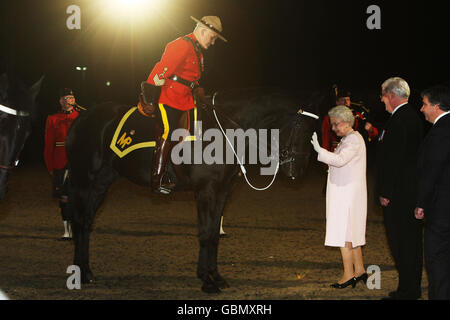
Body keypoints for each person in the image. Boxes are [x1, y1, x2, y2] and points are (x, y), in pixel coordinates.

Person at [144, 16, 227, 195]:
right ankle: (156, 180)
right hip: (169, 97)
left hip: (186, 101)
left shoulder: (198, 52)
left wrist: (197, 89)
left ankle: (183, 176)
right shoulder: (181, 44)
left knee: (193, 136)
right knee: (168, 131)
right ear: (204, 30)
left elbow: (189, 78)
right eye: (212, 37)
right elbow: (162, 69)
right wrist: (149, 98)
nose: (213, 42)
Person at [376, 77, 424, 299]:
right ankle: (408, 287)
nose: (381, 99)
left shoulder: (401, 120)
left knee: (402, 243)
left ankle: (408, 290)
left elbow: (395, 160)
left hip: (400, 195)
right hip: (406, 193)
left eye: (383, 95)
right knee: (408, 243)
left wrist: (386, 191)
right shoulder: (409, 117)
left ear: (392, 95)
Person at [311, 105, 368, 289]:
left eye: (335, 124)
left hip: (347, 194)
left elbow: (340, 160)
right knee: (353, 233)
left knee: (345, 235)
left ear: (345, 122)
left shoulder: (352, 140)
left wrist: (320, 150)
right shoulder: (351, 139)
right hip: (348, 193)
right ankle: (359, 270)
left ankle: (348, 274)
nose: (333, 129)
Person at [414, 85, 450, 300]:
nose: (421, 109)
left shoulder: (441, 131)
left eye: (425, 104)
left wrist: (422, 203)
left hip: (442, 209)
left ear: (436, 107)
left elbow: (432, 171)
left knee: (437, 259)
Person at [44, 88, 80, 240]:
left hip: (77, 162)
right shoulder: (52, 119)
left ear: (74, 100)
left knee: (78, 196)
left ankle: (78, 226)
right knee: (63, 197)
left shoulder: (81, 117)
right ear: (60, 101)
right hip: (59, 161)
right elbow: (48, 144)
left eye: (70, 98)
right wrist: (50, 166)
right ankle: (67, 230)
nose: (67, 101)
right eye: (64, 98)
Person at [321, 89, 378, 153]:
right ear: (337, 102)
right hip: (337, 151)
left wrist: (370, 129)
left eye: (348, 100)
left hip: (353, 152)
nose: (346, 102)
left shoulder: (356, 116)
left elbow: (374, 134)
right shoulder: (329, 118)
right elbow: (325, 140)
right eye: (343, 100)